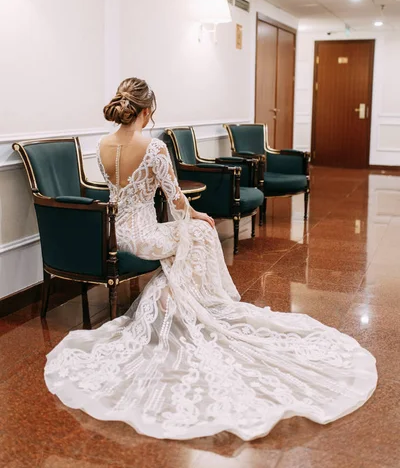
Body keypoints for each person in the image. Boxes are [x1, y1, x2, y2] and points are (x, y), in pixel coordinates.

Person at [45, 77, 377, 441]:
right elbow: (175, 200)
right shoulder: (154, 148)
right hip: (142, 236)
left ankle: (178, 297)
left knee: (192, 237)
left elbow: (112, 190)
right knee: (201, 233)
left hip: (115, 231)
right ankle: (184, 305)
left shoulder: (102, 144)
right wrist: (196, 216)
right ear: (147, 111)